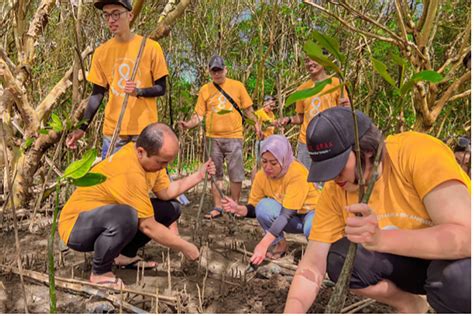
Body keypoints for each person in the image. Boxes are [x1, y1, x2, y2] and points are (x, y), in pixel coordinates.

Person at [284, 107, 471, 313]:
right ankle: (410, 304)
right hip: (409, 267)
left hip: (455, 260)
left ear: (367, 150)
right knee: (341, 257)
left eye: (338, 167)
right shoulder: (336, 190)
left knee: (458, 282)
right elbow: (312, 265)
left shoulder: (416, 152)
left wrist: (381, 239)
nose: (334, 178)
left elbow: (466, 237)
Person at [59, 123, 215, 288]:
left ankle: (123, 255)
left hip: (107, 217)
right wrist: (186, 247)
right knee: (128, 216)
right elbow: (148, 226)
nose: (164, 167)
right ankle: (100, 272)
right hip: (76, 227)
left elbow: (167, 192)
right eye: (161, 162)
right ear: (141, 152)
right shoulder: (130, 171)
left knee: (171, 209)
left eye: (167, 163)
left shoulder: (151, 163)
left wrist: (199, 175)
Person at [66, 0, 169, 159]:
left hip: (145, 131)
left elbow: (161, 88)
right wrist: (82, 128)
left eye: (116, 14)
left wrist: (139, 91)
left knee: (148, 182)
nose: (111, 20)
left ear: (130, 15)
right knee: (113, 181)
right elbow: (97, 95)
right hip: (114, 131)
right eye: (106, 15)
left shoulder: (150, 47)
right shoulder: (101, 52)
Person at [178, 55, 261, 219]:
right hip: (212, 138)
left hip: (234, 136)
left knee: (236, 173)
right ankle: (218, 207)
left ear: (225, 69)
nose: (217, 74)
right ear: (209, 72)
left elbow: (248, 110)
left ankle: (234, 206)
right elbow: (199, 115)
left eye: (219, 70)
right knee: (215, 174)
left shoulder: (237, 86)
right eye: (214, 71)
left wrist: (257, 123)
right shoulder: (205, 90)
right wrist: (188, 124)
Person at [221, 135, 320, 264]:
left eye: (273, 163)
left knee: (311, 228)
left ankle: (317, 256)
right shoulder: (261, 176)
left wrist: (263, 244)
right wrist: (240, 209)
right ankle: (280, 244)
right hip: (292, 218)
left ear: (284, 160)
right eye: (264, 161)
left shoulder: (297, 173)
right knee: (263, 207)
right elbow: (255, 207)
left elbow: (286, 214)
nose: (267, 167)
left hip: (311, 213)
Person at [276, 56, 350, 171]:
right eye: (306, 61)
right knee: (306, 178)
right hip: (306, 142)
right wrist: (289, 119)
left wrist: (346, 107)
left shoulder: (337, 83)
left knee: (329, 179)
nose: (310, 63)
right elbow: (300, 117)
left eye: (313, 59)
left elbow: (345, 112)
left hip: (330, 140)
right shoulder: (302, 89)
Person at [252, 95, 277, 181]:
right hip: (262, 141)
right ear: (265, 103)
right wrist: (259, 131)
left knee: (267, 163)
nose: (272, 108)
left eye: (273, 106)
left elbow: (273, 125)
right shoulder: (259, 113)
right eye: (270, 106)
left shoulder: (271, 114)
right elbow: (254, 125)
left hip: (270, 143)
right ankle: (253, 184)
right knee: (259, 163)